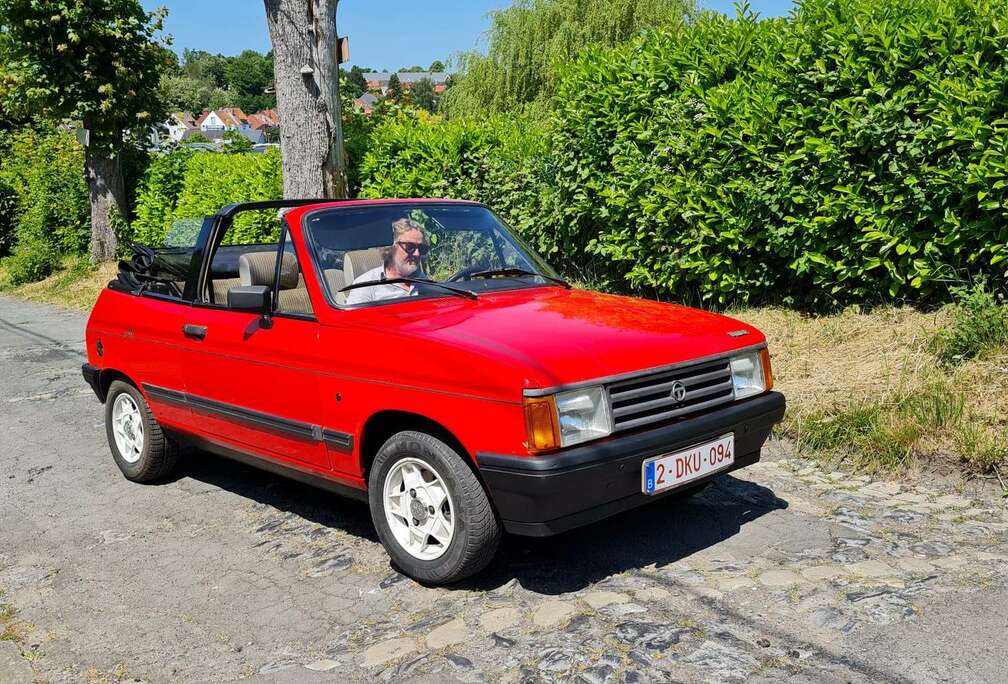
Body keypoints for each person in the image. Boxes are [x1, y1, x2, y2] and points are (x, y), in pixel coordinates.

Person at [345, 218, 430, 305]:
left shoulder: (422, 279)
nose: (417, 254)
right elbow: (354, 318)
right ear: (391, 248)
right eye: (410, 247)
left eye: (421, 248)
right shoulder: (365, 286)